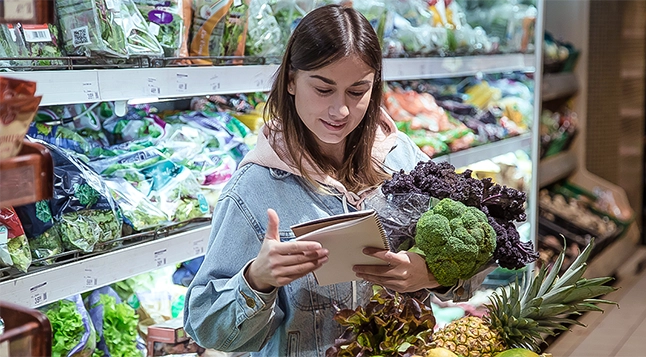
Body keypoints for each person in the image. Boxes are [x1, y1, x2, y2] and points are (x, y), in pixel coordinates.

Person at [184, 5, 488, 356]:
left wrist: (435, 273)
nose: (340, 111)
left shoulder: (403, 158)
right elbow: (206, 327)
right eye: (324, 89)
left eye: (357, 91)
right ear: (291, 82)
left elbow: (479, 249)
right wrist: (257, 280)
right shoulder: (252, 189)